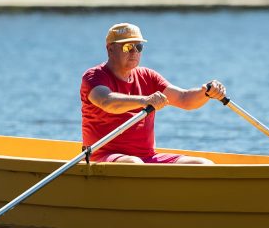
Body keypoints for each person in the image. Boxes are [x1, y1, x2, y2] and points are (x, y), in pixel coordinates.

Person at [81, 22, 226, 164]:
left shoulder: (148, 76)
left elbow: (184, 99)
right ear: (110, 49)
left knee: (203, 164)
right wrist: (144, 100)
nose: (134, 52)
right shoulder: (94, 76)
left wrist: (206, 92)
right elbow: (107, 102)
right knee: (134, 163)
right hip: (102, 156)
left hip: (147, 157)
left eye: (138, 47)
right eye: (127, 47)